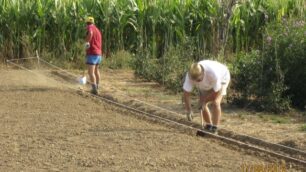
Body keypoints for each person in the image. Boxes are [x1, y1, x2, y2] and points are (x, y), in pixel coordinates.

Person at [182, 60, 230, 133]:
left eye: (198, 79)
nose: (196, 82)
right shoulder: (190, 76)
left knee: (216, 102)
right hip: (207, 84)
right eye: (194, 80)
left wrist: (204, 101)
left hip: (222, 78)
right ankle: (209, 126)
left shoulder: (213, 73)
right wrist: (189, 110)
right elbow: (186, 94)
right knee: (201, 104)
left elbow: (216, 92)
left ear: (203, 73)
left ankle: (215, 128)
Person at [85, 16, 103, 95]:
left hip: (92, 53)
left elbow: (90, 33)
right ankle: (97, 86)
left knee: (90, 72)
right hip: (98, 53)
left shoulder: (90, 27)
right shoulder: (98, 30)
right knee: (96, 71)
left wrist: (87, 42)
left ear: (87, 23)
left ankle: (94, 89)